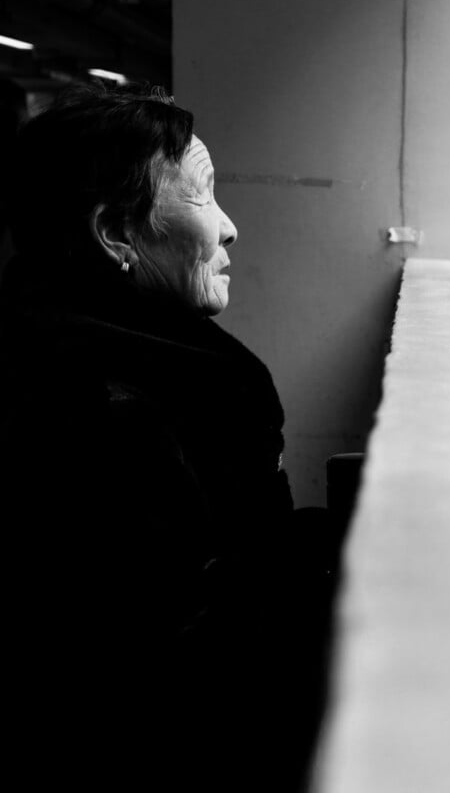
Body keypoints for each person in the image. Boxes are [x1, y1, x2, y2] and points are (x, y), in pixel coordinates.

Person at [0, 83, 337, 791]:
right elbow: (186, 666)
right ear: (115, 235)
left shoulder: (80, 349)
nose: (229, 226)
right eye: (203, 196)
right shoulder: (102, 410)